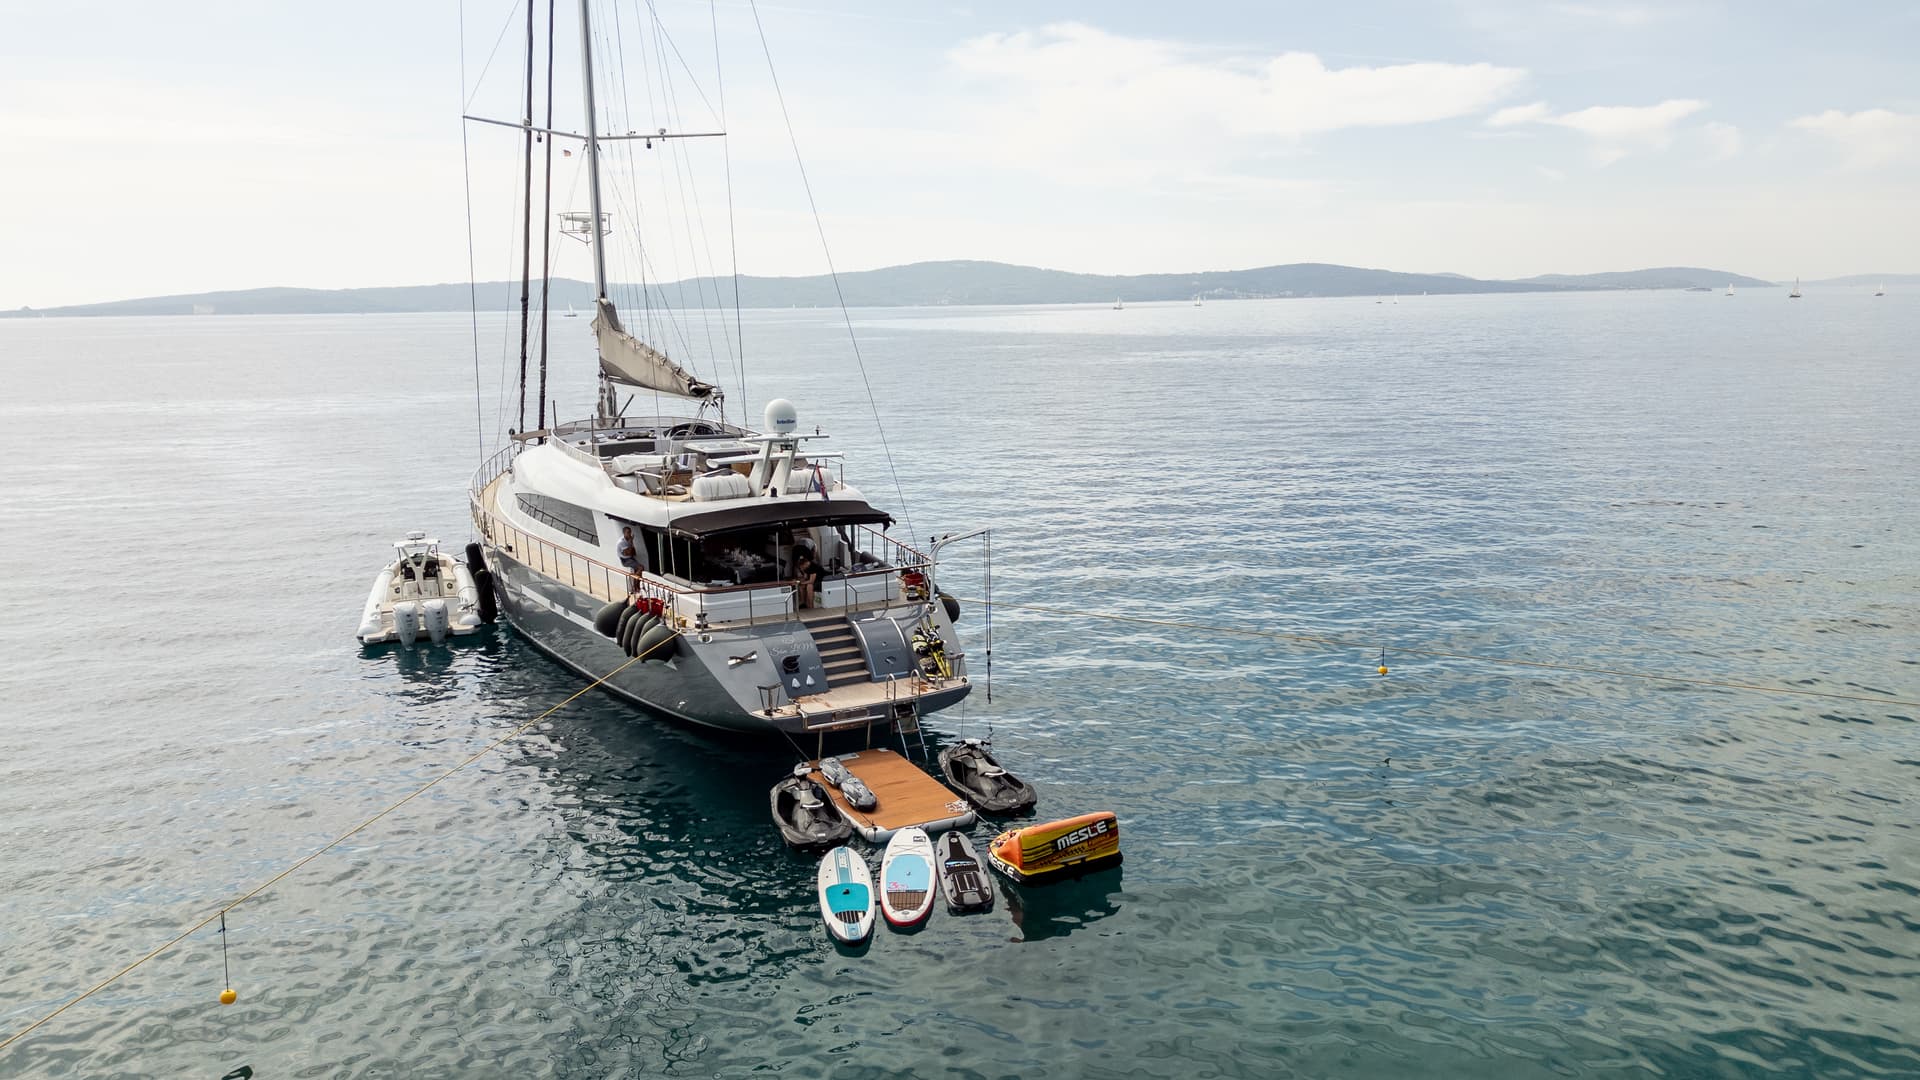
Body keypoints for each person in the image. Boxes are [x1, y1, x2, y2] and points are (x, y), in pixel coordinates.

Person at [617, 526, 640, 593]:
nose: (629, 534)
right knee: (640, 568)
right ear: (624, 533)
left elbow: (633, 553)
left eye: (630, 532)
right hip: (625, 560)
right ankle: (634, 587)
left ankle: (638, 586)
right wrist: (631, 542)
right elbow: (628, 553)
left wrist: (631, 543)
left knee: (638, 569)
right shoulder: (621, 542)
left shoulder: (628, 540)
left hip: (629, 558)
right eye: (628, 532)